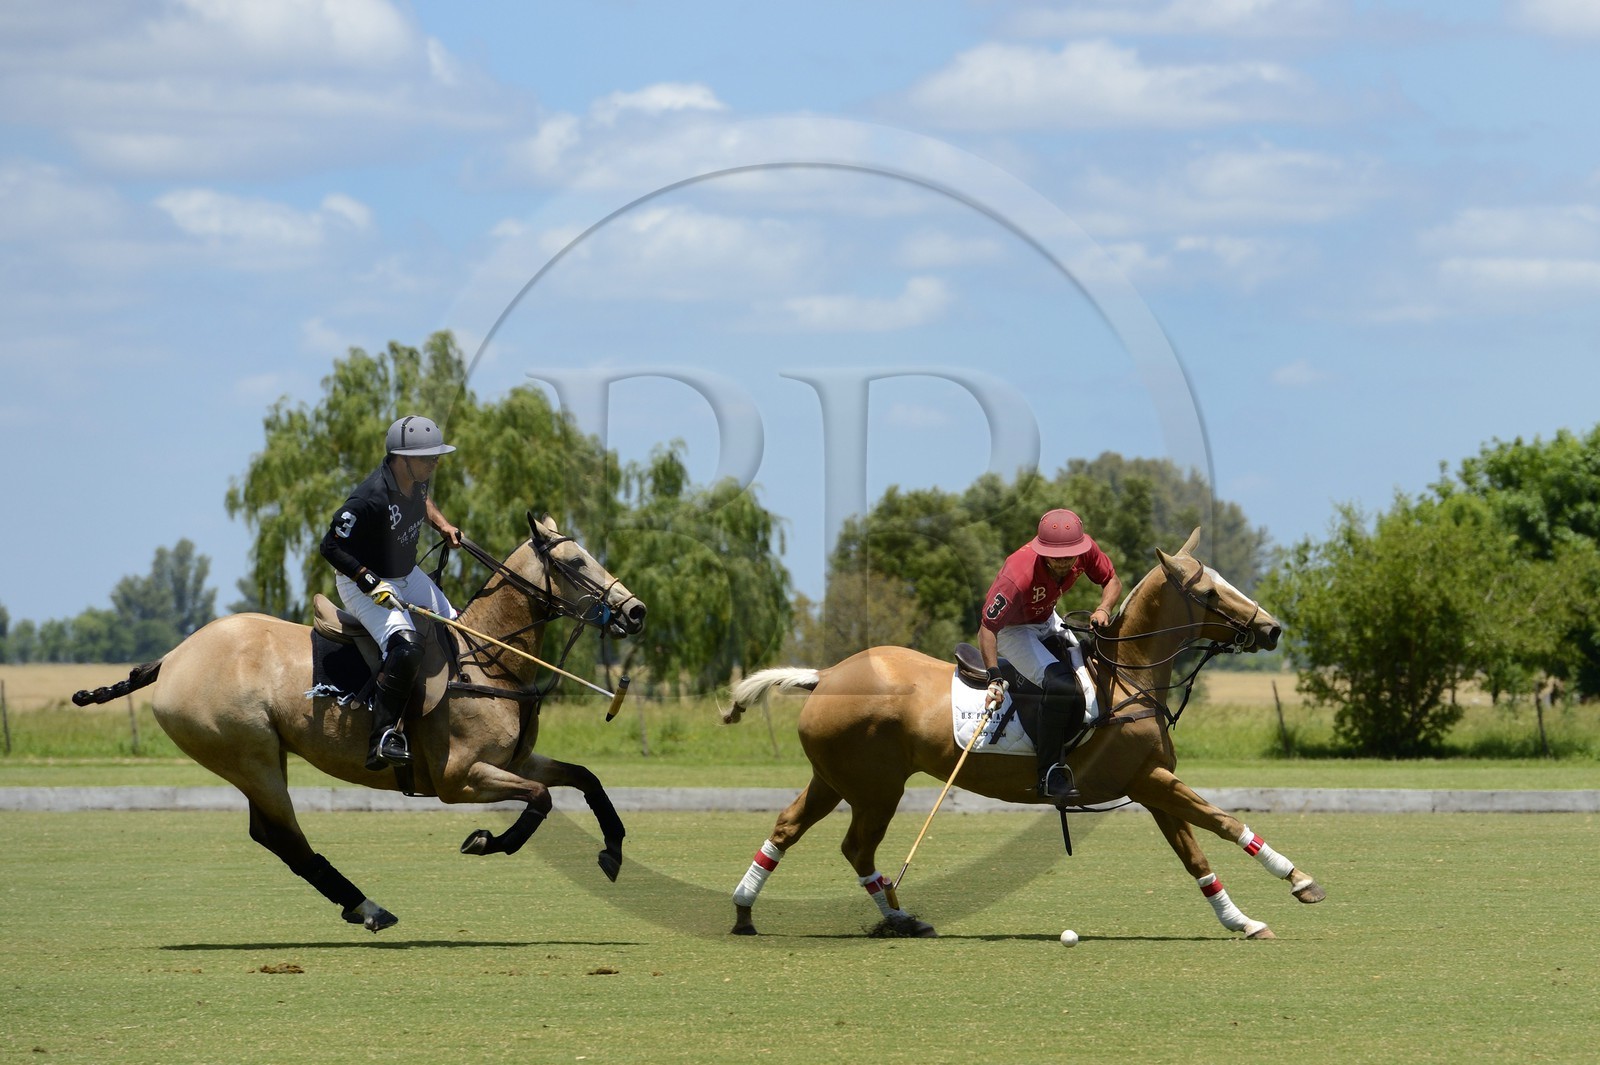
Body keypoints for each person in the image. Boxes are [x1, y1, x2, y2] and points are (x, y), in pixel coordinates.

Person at [320, 415, 463, 770]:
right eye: (428, 457)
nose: (434, 462)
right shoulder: (368, 498)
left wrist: (442, 525)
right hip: (360, 580)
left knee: (456, 628)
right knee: (406, 646)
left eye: (435, 456)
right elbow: (330, 546)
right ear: (401, 458)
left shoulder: (417, 480)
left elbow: (424, 502)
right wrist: (367, 580)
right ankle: (382, 737)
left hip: (405, 572)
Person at [978, 508, 1123, 802]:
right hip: (1014, 631)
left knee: (1097, 668)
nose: (1064, 562)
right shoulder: (1017, 574)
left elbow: (1112, 581)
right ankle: (1049, 773)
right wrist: (994, 677)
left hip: (1048, 619)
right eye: (1056, 557)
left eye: (1070, 556)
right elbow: (988, 629)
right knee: (1061, 685)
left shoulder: (1085, 550)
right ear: (1043, 550)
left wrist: (1104, 608)